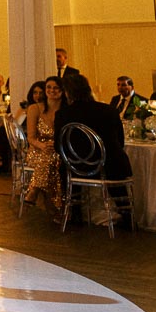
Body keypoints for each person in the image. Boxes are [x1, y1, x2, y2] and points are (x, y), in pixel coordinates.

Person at [55, 74, 131, 224]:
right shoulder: (108, 110)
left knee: (65, 166)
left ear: (67, 92)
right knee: (115, 158)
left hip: (77, 167)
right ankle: (126, 212)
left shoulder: (63, 114)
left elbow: (59, 147)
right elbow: (120, 142)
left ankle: (74, 213)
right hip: (110, 165)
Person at [23, 76, 67, 218]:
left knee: (53, 157)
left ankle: (34, 189)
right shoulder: (35, 108)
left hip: (58, 150)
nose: (51, 90)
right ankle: (55, 208)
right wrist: (42, 146)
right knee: (51, 157)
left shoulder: (66, 109)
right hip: (37, 150)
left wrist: (54, 146)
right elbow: (30, 138)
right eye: (49, 87)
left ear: (62, 90)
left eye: (55, 88)